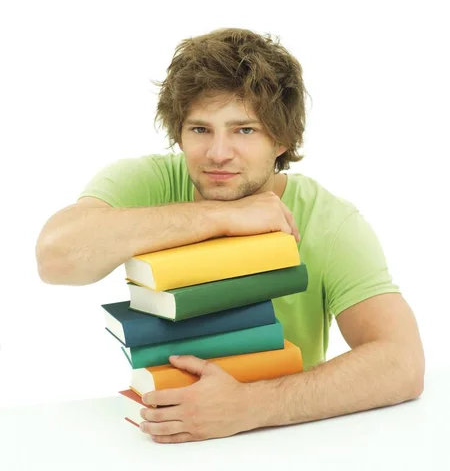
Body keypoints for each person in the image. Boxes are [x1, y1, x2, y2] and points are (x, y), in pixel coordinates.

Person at [35, 27, 425, 444]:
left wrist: (250, 406)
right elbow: (55, 257)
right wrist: (220, 216)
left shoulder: (329, 221)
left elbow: (402, 362)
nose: (218, 154)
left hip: (285, 443)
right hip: (157, 440)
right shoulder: (149, 183)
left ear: (282, 139)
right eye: (200, 130)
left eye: (244, 130)